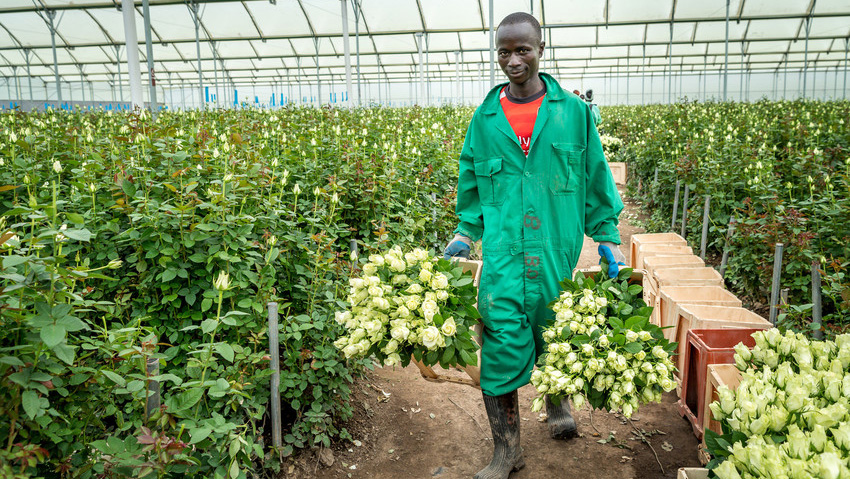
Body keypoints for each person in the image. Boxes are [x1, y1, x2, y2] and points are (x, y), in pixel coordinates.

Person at [442, 12, 626, 479]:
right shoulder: (484, 120)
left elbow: (594, 177)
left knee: (556, 331)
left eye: (522, 49)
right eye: (503, 51)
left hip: (555, 253)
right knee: (501, 342)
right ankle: (507, 452)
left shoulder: (573, 114)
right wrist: (466, 233)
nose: (512, 60)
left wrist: (606, 236)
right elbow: (472, 181)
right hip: (503, 255)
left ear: (541, 49)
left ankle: (557, 399)